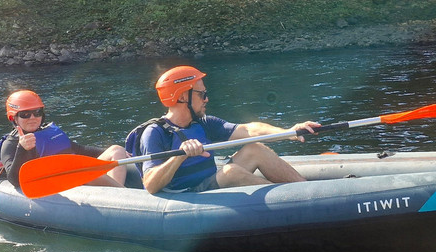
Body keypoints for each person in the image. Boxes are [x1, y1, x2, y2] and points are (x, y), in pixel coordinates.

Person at [127, 65, 321, 195]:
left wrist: (290, 131)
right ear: (182, 97)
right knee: (230, 172)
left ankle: (307, 192)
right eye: (202, 94)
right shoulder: (155, 132)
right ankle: (289, 200)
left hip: (209, 182)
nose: (206, 99)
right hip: (187, 195)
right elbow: (151, 185)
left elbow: (249, 130)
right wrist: (179, 156)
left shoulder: (204, 123)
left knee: (255, 148)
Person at [0, 90, 129, 192]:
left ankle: (117, 195)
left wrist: (117, 153)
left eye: (37, 112)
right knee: (87, 172)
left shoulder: (48, 133)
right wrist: (22, 148)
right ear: (13, 118)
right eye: (25, 114)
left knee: (117, 150)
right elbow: (14, 180)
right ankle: (126, 197)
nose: (33, 117)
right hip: (54, 183)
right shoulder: (10, 144)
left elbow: (79, 150)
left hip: (73, 173)